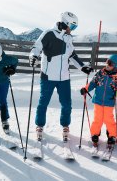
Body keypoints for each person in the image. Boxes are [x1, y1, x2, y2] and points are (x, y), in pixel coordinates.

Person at [29, 12, 93, 142]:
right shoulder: (49, 34)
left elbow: (72, 55)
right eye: (73, 27)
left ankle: (65, 126)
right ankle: (39, 126)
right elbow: (37, 47)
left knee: (66, 104)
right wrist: (33, 56)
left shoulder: (68, 38)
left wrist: (83, 67)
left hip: (64, 77)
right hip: (47, 76)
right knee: (43, 103)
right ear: (65, 23)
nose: (73, 30)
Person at [80, 54, 117, 148]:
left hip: (109, 102)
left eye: (110, 64)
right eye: (107, 62)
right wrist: (86, 89)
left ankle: (112, 135)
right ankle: (95, 134)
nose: (107, 65)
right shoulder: (101, 73)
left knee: (109, 120)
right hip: (98, 101)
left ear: (116, 67)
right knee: (98, 119)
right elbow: (93, 83)